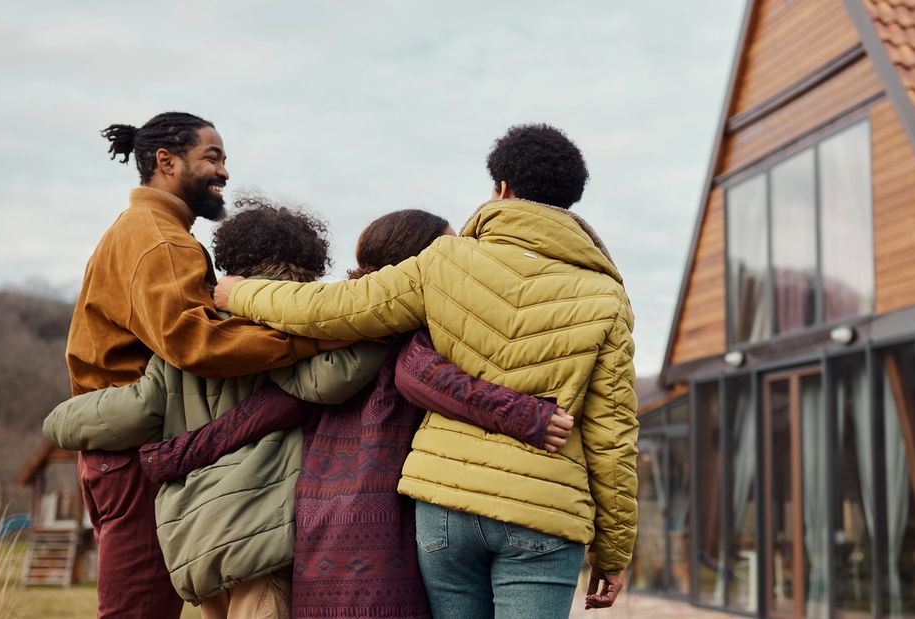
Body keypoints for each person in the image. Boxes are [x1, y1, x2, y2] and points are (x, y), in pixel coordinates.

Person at [49, 203, 573, 619]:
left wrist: (59, 423)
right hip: (276, 532)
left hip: (204, 534)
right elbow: (333, 383)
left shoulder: (194, 340)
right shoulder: (334, 329)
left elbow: (134, 409)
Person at [214, 124, 637, 618]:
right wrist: (613, 551)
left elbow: (333, 307)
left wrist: (236, 293)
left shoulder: (445, 261)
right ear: (571, 203)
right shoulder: (606, 296)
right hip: (543, 511)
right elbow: (613, 435)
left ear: (501, 188)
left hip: (445, 506)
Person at [67, 113, 328, 619]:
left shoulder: (146, 230)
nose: (224, 172)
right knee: (139, 611)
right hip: (132, 450)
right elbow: (195, 343)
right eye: (212, 157)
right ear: (166, 162)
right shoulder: (161, 240)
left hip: (120, 448)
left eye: (224, 158)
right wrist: (307, 340)